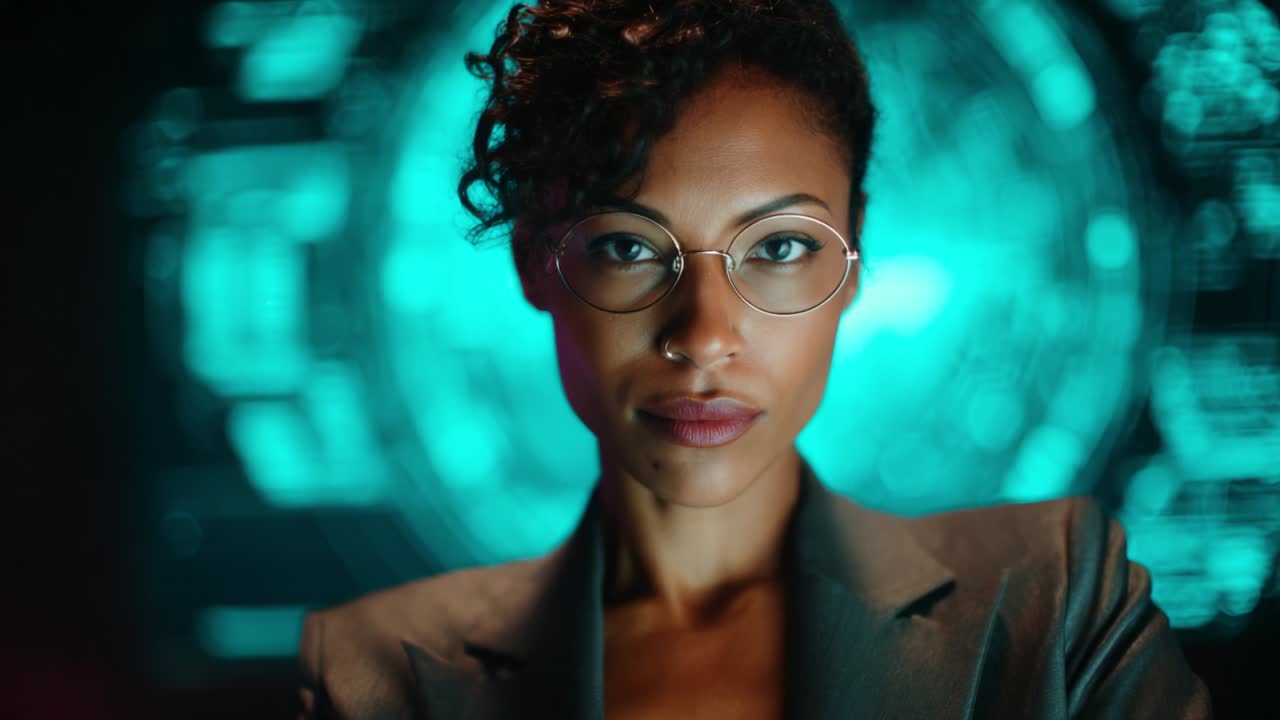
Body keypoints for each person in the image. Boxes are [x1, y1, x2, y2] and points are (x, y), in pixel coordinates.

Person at [295, 1, 1214, 717]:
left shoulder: (1057, 607)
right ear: (537, 261)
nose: (701, 336)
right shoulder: (380, 679)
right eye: (627, 247)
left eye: (777, 249)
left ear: (855, 261)